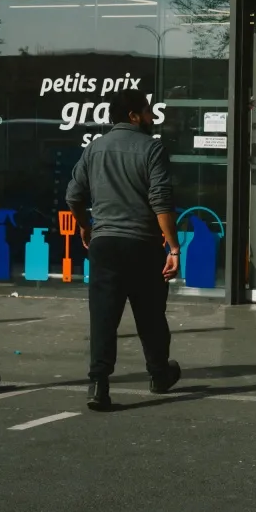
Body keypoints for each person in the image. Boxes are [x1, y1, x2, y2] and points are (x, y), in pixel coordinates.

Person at [66, 87, 183, 411]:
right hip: (142, 245)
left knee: (103, 317)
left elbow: (73, 195)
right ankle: (159, 374)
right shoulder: (152, 149)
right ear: (133, 115)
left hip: (104, 245)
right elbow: (160, 200)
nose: (151, 116)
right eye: (147, 110)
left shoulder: (95, 149)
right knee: (151, 316)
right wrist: (173, 247)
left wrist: (86, 227)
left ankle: (98, 384)